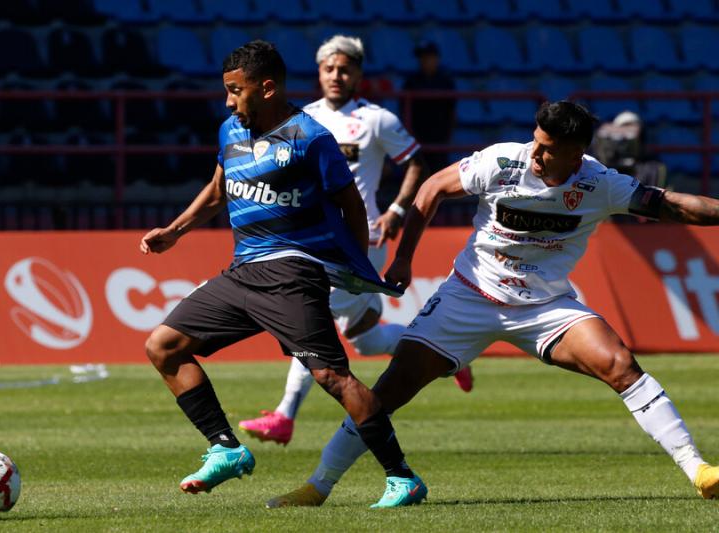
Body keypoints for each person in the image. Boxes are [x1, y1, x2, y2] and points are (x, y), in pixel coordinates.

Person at [267, 101, 719, 508]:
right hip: (468, 296)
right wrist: (404, 257)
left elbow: (672, 206)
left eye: (547, 149)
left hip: (545, 307)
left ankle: (698, 471)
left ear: (576, 152)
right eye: (535, 142)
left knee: (620, 363)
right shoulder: (502, 160)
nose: (535, 154)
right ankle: (318, 486)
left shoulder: (601, 183)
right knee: (389, 389)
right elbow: (432, 189)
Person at [140, 40, 426, 508]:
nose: (229, 101)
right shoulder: (230, 130)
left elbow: (350, 203)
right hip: (243, 272)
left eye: (236, 90)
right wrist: (175, 230)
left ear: (267, 88)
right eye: (226, 91)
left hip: (293, 273)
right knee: (164, 346)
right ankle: (225, 448)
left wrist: (353, 263)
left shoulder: (309, 137)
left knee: (333, 378)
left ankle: (402, 477)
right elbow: (217, 189)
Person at [238, 35, 473, 448]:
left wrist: (397, 211)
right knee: (365, 337)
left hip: (357, 237)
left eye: (344, 69)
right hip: (309, 235)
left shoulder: (376, 119)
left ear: (358, 74)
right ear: (319, 72)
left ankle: (284, 415)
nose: (336, 75)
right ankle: (446, 353)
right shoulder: (299, 117)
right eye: (329, 68)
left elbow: (416, 164)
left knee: (309, 319)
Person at [401, 39, 456, 174]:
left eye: (428, 57)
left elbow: (451, 110)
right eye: (422, 57)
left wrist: (446, 134)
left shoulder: (445, 81)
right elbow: (404, 110)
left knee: (439, 175)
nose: (424, 60)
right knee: (419, 176)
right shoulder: (411, 81)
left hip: (439, 137)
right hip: (418, 137)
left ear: (436, 58)